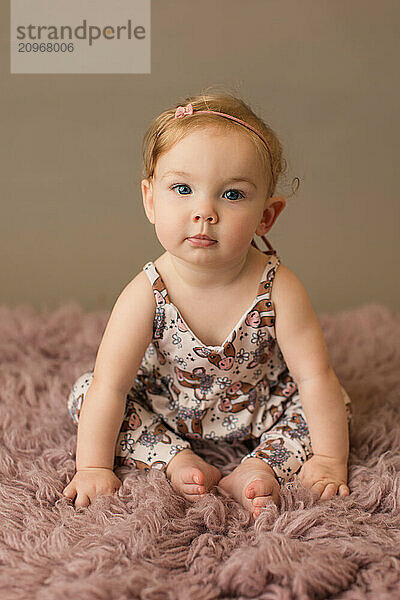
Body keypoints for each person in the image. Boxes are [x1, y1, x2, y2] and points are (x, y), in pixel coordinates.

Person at [63, 91, 353, 520]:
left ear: (266, 217)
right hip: (167, 404)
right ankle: (176, 460)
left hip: (260, 405)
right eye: (182, 189)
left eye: (232, 195)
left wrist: (330, 460)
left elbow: (313, 377)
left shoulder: (279, 288)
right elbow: (112, 385)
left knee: (334, 405)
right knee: (87, 394)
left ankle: (258, 468)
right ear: (150, 199)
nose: (204, 211)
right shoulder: (147, 292)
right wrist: (92, 467)